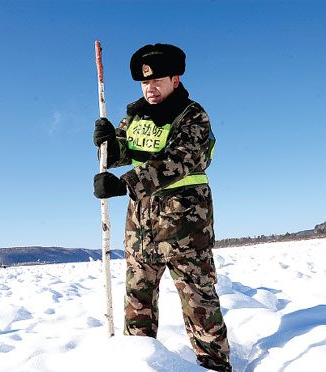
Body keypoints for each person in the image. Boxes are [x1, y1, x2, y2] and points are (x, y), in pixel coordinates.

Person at [92, 43, 232, 372]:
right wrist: (107, 142)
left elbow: (180, 160)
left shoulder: (192, 115)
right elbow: (120, 154)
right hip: (139, 229)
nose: (149, 88)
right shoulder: (135, 118)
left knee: (199, 304)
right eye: (144, 83)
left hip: (185, 227)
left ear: (175, 79)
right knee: (137, 308)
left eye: (157, 81)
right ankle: (140, 365)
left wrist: (125, 184)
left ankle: (215, 367)